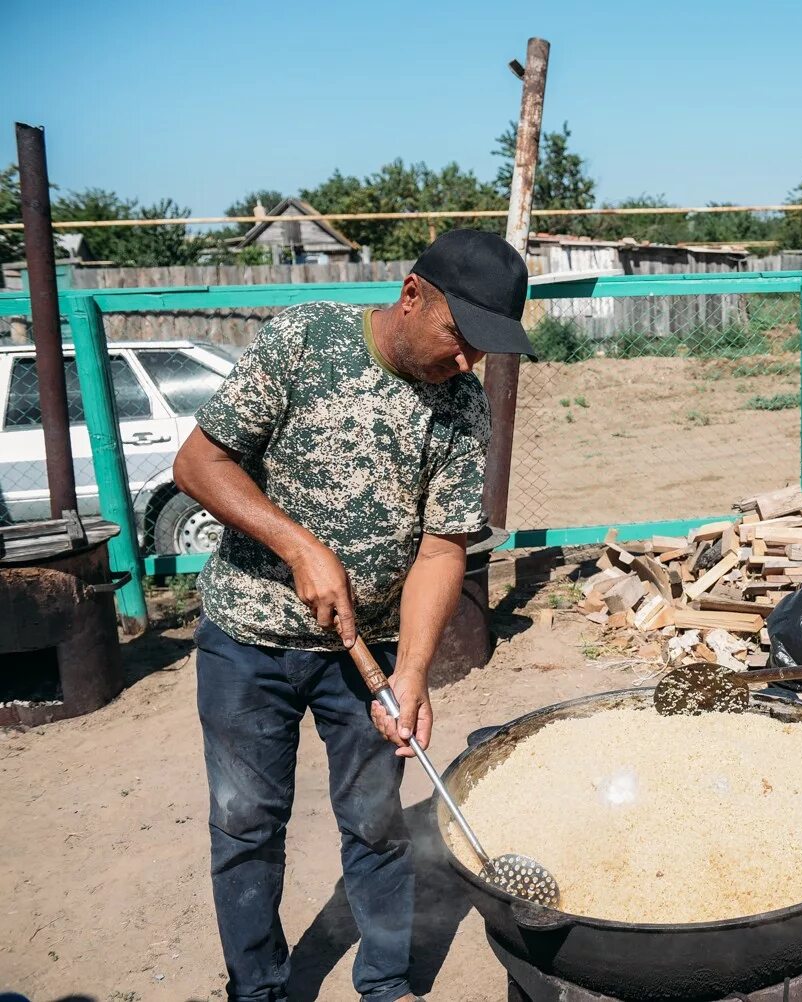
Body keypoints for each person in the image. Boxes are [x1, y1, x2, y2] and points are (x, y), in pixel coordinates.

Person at [173, 229, 535, 1002]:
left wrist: (411, 674)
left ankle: (385, 983)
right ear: (412, 295)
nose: (468, 363)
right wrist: (297, 545)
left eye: (483, 350)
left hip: (362, 652)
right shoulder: (306, 339)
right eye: (459, 339)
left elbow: (442, 553)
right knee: (245, 824)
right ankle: (260, 990)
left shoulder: (463, 405)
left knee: (376, 823)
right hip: (248, 639)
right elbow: (199, 463)